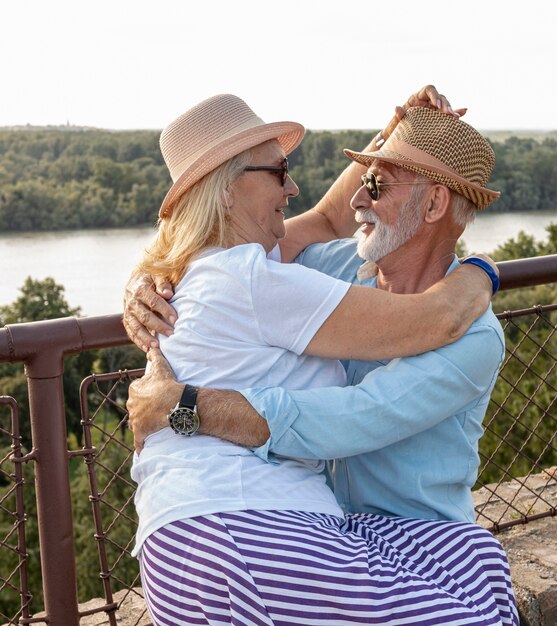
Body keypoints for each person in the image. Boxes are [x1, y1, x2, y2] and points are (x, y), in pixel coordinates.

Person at [126, 90, 518, 626]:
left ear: (432, 206)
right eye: (280, 171)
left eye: (375, 185)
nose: (357, 199)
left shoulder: (473, 337)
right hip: (299, 536)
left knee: (486, 572)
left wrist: (186, 404)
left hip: (413, 536)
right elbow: (247, 251)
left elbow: (352, 418)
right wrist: (144, 284)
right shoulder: (327, 270)